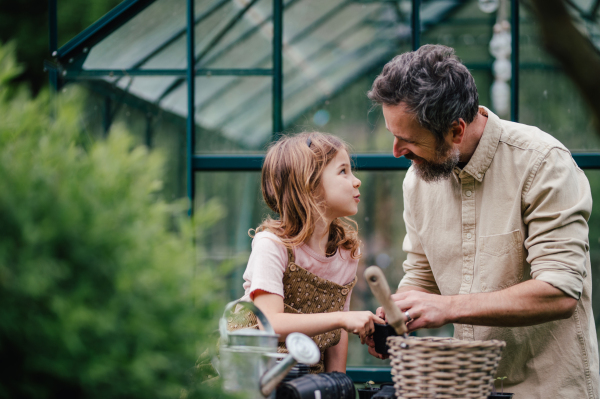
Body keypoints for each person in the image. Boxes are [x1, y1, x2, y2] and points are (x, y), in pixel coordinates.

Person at [365, 44, 598, 398]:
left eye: (407, 139)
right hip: (467, 388)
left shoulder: (543, 164)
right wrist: (398, 316)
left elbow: (560, 291)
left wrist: (448, 307)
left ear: (456, 131)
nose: (395, 151)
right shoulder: (418, 180)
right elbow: (421, 276)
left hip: (548, 388)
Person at [227, 132, 384, 374]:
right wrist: (342, 319)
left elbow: (337, 339)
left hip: (305, 375)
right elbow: (270, 323)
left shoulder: (346, 253)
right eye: (343, 171)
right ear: (309, 186)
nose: (356, 181)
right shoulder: (272, 245)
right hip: (252, 373)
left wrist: (337, 384)